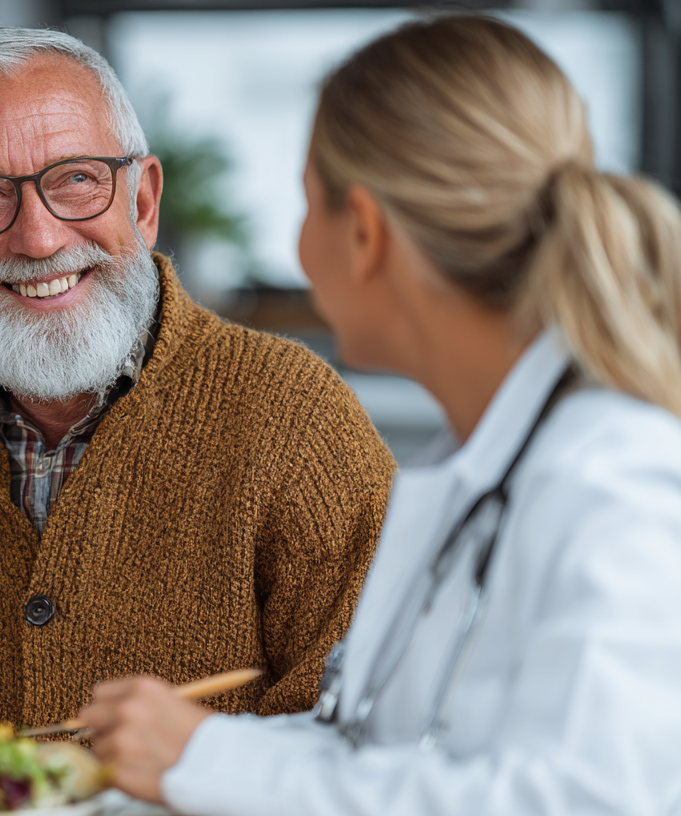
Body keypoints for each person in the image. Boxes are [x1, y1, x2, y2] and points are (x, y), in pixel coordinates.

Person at [80, 15, 681, 815]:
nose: (297, 247)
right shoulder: (475, 467)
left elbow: (597, 799)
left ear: (362, 232)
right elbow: (379, 751)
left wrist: (208, 759)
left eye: (305, 207)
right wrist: (171, 761)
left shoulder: (613, 480)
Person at [0, 27, 395, 735]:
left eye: (77, 179)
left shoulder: (296, 418)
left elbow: (358, 745)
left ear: (143, 203)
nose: (39, 237)